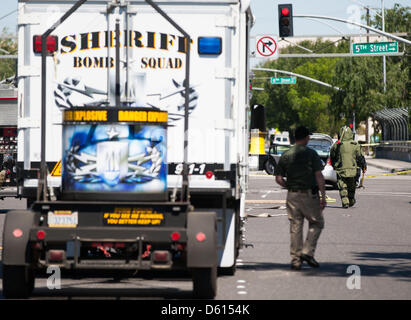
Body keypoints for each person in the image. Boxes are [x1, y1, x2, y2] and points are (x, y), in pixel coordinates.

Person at [274, 126, 326, 270]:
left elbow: (278, 178)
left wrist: (288, 185)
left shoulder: (286, 154)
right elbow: (319, 176)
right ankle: (307, 252)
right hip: (309, 195)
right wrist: (323, 196)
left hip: (292, 195)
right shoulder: (311, 154)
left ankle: (296, 260)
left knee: (295, 226)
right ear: (306, 138)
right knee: (317, 222)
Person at [330, 126, 367, 208]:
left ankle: (345, 202)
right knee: (351, 186)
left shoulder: (337, 144)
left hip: (341, 169)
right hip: (352, 169)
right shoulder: (355, 144)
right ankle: (351, 200)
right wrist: (364, 166)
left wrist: (334, 165)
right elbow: (360, 157)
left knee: (342, 186)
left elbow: (332, 156)